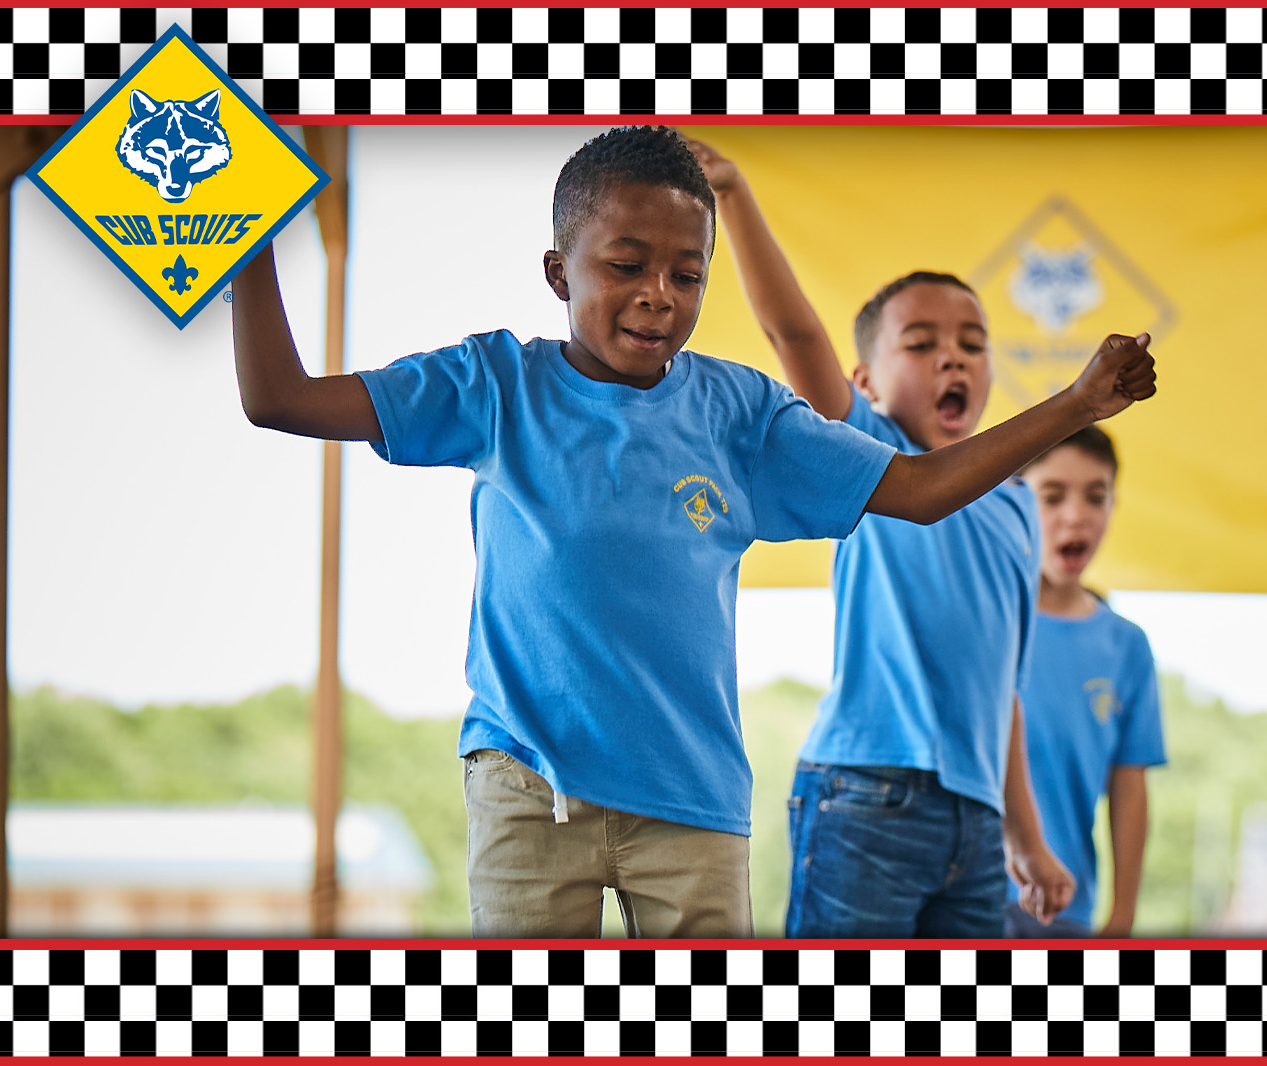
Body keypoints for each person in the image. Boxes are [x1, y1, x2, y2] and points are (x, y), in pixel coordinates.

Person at [229, 126, 1157, 938]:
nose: (658, 295)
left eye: (686, 274)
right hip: (526, 789)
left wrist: (1077, 402)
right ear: (559, 269)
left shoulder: (740, 413)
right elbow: (281, 398)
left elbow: (915, 490)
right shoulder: (493, 386)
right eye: (625, 266)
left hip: (695, 803)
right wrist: (245, 241)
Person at [694, 138, 1086, 937]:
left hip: (976, 827)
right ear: (865, 382)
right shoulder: (870, 452)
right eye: (921, 343)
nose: (954, 356)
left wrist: (1026, 837)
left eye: (972, 344)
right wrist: (733, 192)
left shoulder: (1017, 508)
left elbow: (999, 689)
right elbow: (794, 336)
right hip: (866, 796)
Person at [1002, 427, 1166, 939]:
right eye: (1052, 496)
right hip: (973, 894)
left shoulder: (1126, 645)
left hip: (1067, 904)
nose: (1076, 514)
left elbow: (1130, 784)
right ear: (1014, 502)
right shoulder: (993, 617)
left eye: (1096, 496)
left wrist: (1122, 914)